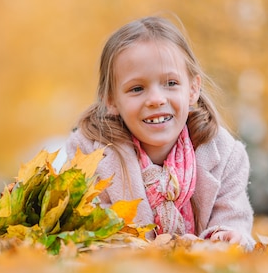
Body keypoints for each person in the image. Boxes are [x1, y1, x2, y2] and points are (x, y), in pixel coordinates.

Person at [65, 15, 254, 247]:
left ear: (193, 89)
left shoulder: (225, 154)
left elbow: (234, 218)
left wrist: (226, 237)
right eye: (137, 88)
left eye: (171, 83)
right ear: (111, 100)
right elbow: (89, 231)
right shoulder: (89, 155)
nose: (156, 99)